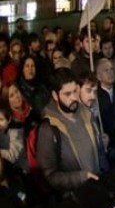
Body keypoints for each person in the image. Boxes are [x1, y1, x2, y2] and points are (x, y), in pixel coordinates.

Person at [37, 68, 103, 198]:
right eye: (67, 94)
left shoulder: (87, 114)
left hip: (97, 188)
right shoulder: (48, 129)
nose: (74, 97)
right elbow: (50, 176)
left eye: (75, 91)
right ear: (55, 96)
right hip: (75, 197)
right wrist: (81, 177)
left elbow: (99, 152)